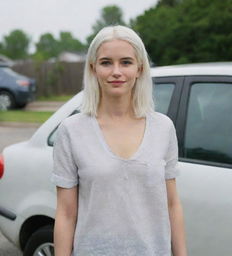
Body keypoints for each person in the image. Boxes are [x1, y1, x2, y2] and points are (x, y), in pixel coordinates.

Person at [51, 25, 187, 256]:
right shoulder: (71, 131)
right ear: (93, 68)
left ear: (139, 68)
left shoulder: (163, 127)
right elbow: (65, 213)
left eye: (125, 62)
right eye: (106, 62)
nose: (116, 71)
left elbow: (172, 204)